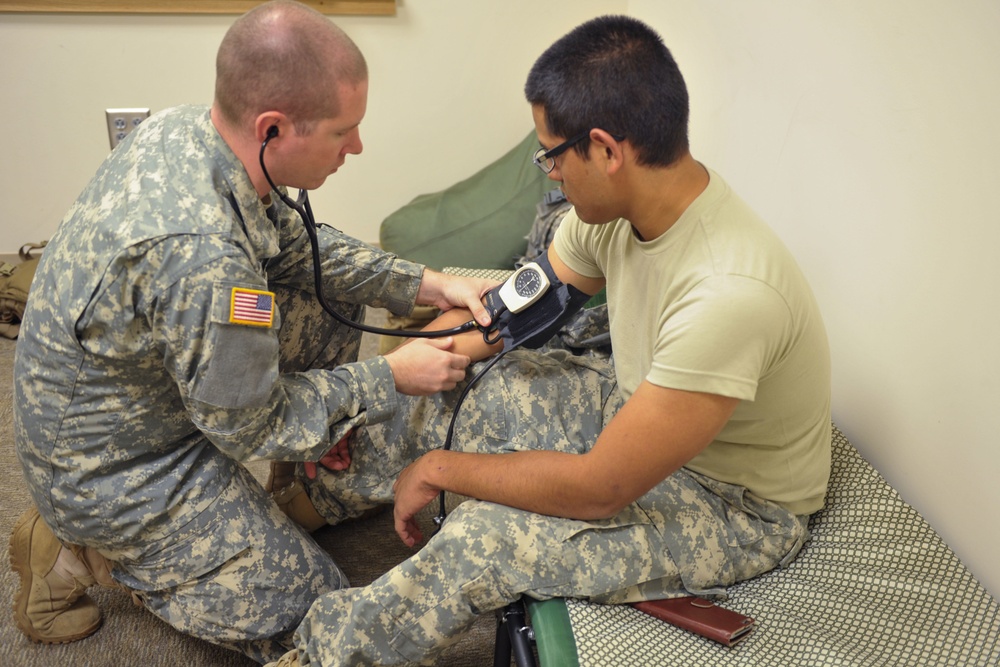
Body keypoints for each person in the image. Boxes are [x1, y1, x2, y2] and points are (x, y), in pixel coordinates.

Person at [262, 13, 833, 667]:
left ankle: (314, 656)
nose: (548, 173)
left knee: (484, 540)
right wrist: (385, 382)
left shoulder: (728, 293)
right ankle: (301, 506)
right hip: (636, 407)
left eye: (552, 154)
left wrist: (441, 469)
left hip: (730, 501)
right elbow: (503, 321)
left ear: (606, 151)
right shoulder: (616, 215)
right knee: (453, 378)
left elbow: (598, 488)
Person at [8, 1, 496, 664]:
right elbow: (250, 425)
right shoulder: (205, 257)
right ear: (273, 127)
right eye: (342, 131)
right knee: (319, 616)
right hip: (114, 470)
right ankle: (78, 549)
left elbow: (301, 250)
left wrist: (428, 284)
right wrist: (392, 375)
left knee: (322, 293)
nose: (356, 147)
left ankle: (269, 507)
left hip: (144, 399)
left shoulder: (193, 133)